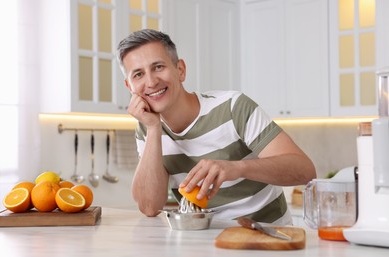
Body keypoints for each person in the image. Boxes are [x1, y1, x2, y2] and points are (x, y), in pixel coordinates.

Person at [117, 29, 316, 225]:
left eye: (159, 67)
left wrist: (237, 168)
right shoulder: (147, 128)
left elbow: (305, 170)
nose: (151, 81)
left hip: (269, 238)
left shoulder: (232, 107)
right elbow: (149, 207)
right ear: (130, 87)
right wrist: (153, 129)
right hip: (206, 245)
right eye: (138, 74)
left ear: (180, 70)